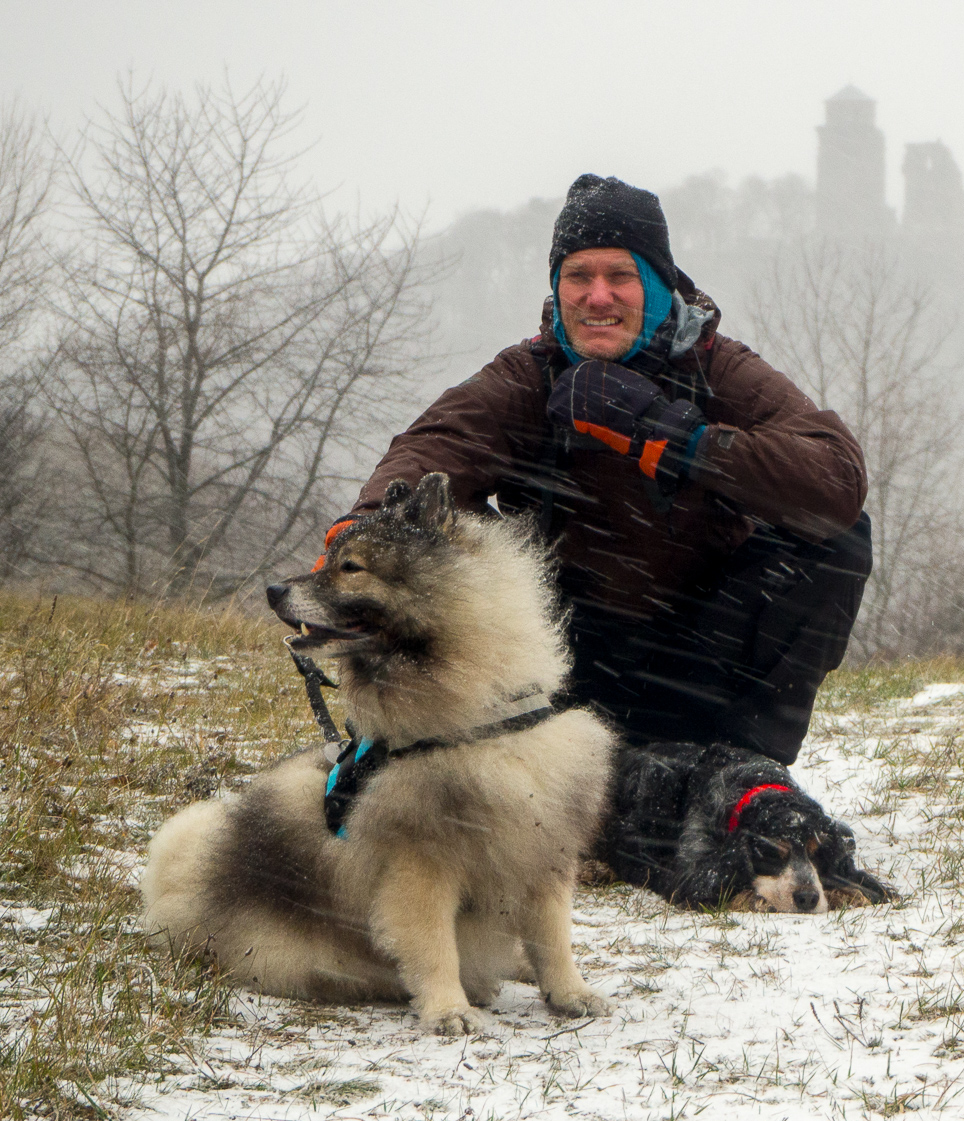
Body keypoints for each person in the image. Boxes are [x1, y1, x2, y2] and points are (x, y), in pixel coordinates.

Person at [327, 174, 870, 765]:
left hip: (703, 664)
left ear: (659, 288)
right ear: (558, 290)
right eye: (578, 277)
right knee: (439, 536)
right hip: (562, 664)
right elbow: (433, 447)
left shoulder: (716, 367)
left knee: (838, 538)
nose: (598, 296)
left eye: (621, 276)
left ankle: (737, 766)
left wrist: (675, 437)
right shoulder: (528, 375)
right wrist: (361, 537)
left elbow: (836, 478)